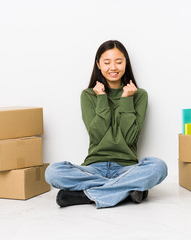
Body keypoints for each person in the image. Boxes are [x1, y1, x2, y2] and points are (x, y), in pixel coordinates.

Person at [45, 40, 168, 209]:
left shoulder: (139, 95)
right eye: (107, 62)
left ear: (126, 63)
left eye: (119, 62)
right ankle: (128, 189)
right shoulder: (88, 95)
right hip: (93, 168)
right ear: (98, 64)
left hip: (127, 167)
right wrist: (101, 98)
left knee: (159, 167)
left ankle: (86, 195)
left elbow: (130, 137)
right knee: (52, 172)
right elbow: (97, 135)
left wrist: (126, 100)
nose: (113, 67)